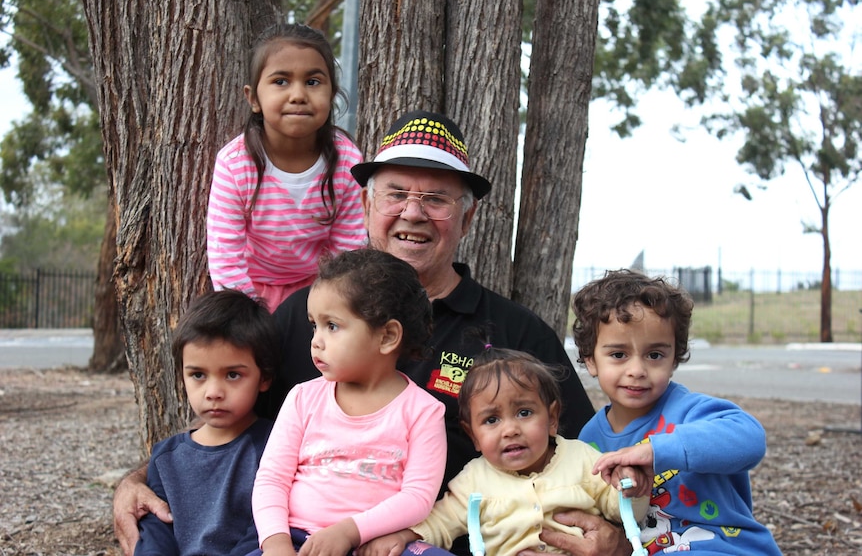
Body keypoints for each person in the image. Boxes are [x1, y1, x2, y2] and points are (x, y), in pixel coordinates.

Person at [113, 110, 632, 556]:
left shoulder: (515, 332)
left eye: (436, 198)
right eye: (396, 194)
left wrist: (621, 536)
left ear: (466, 219)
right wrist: (142, 479)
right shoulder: (301, 318)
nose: (413, 212)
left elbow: (591, 455)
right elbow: (230, 419)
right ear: (365, 206)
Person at [248, 248, 446, 556]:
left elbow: (418, 497)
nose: (316, 340)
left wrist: (350, 531)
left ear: (387, 337)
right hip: (299, 539)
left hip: (376, 544)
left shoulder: (423, 411)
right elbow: (272, 479)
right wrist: (275, 543)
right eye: (314, 324)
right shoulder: (303, 398)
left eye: (333, 326)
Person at [360, 347, 648, 556]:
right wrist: (404, 535)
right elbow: (441, 522)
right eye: (491, 420)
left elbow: (620, 507)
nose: (509, 430)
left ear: (551, 418)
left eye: (524, 413)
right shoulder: (473, 480)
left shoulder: (582, 459)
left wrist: (632, 487)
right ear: (473, 436)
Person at [573, 269, 782, 555]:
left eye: (655, 355)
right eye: (618, 355)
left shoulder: (690, 411)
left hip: (724, 547)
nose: (636, 371)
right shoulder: (590, 438)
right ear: (591, 360)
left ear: (674, 359)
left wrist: (656, 451)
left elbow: (750, 438)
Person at [206, 23, 366, 312]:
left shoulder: (347, 161)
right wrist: (251, 316)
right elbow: (225, 257)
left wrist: (327, 309)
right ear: (253, 98)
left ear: (331, 94)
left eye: (313, 82)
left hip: (320, 289)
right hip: (250, 291)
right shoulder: (235, 164)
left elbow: (349, 251)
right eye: (281, 81)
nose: (298, 95)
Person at [134, 289, 279, 556]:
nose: (213, 392)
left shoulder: (274, 446)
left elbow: (265, 525)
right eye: (198, 375)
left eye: (233, 375)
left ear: (264, 378)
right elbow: (156, 528)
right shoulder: (165, 457)